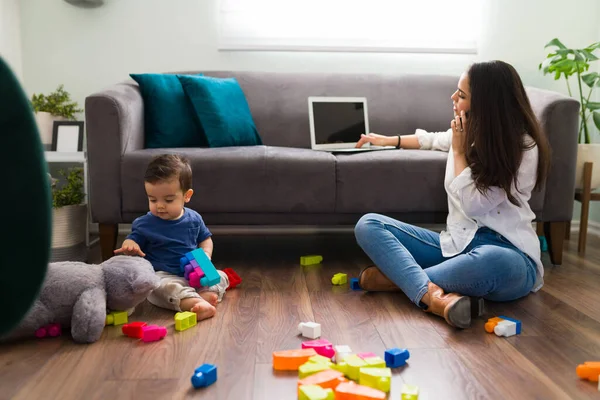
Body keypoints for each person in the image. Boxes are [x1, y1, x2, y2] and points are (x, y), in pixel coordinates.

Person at [353, 60, 550, 328]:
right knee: (369, 224)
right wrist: (388, 140)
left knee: (495, 261)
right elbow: (432, 139)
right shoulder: (467, 131)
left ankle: (397, 280)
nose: (453, 97)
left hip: (510, 256)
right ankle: (436, 298)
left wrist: (458, 152)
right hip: (456, 247)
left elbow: (473, 205)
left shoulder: (524, 148)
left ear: (486, 104)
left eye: (462, 94)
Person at [114, 154, 229, 321]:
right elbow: (133, 238)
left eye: (168, 200)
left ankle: (206, 293)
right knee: (158, 288)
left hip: (194, 272)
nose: (159, 205)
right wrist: (130, 245)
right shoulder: (144, 223)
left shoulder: (194, 219)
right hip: (163, 274)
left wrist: (206, 255)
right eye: (152, 199)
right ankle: (192, 302)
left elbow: (206, 239)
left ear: (186, 196)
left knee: (220, 275)